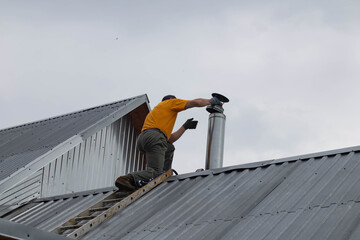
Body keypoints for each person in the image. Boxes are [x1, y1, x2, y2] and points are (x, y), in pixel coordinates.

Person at [115, 94, 222, 191]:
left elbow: (170, 140)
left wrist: (184, 127)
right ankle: (126, 179)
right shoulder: (170, 103)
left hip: (144, 138)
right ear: (171, 100)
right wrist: (211, 101)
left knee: (169, 147)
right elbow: (196, 102)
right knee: (155, 171)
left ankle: (164, 174)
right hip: (154, 137)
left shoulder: (157, 112)